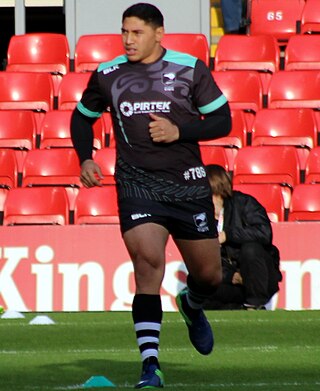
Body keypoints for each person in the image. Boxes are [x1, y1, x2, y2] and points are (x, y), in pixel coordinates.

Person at [71, 3, 231, 388]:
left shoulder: (189, 68)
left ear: (159, 33)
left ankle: (191, 305)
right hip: (136, 186)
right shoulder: (108, 74)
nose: (128, 40)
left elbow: (223, 120)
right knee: (148, 264)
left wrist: (180, 131)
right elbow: (82, 117)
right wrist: (86, 158)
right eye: (124, 31)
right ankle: (150, 366)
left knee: (209, 277)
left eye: (136, 32)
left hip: (189, 185)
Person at [204, 164, 282, 311]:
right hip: (233, 280)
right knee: (200, 288)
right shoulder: (201, 216)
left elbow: (264, 233)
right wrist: (231, 276)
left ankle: (255, 304)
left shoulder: (245, 203)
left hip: (260, 277)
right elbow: (202, 258)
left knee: (250, 248)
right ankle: (238, 310)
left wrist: (228, 235)